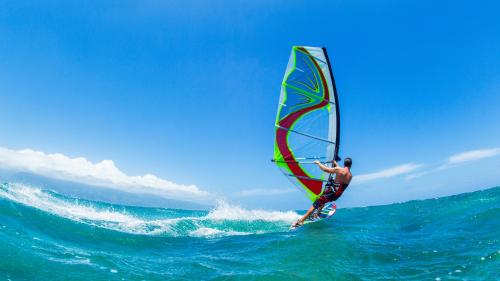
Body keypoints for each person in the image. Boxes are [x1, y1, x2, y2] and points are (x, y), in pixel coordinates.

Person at [292, 157, 353, 227]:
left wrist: (318, 163)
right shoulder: (350, 176)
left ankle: (301, 221)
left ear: (344, 164)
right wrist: (336, 164)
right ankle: (316, 214)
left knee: (315, 204)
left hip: (330, 193)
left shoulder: (339, 170)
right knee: (322, 201)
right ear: (351, 165)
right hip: (336, 196)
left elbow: (325, 169)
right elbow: (341, 173)